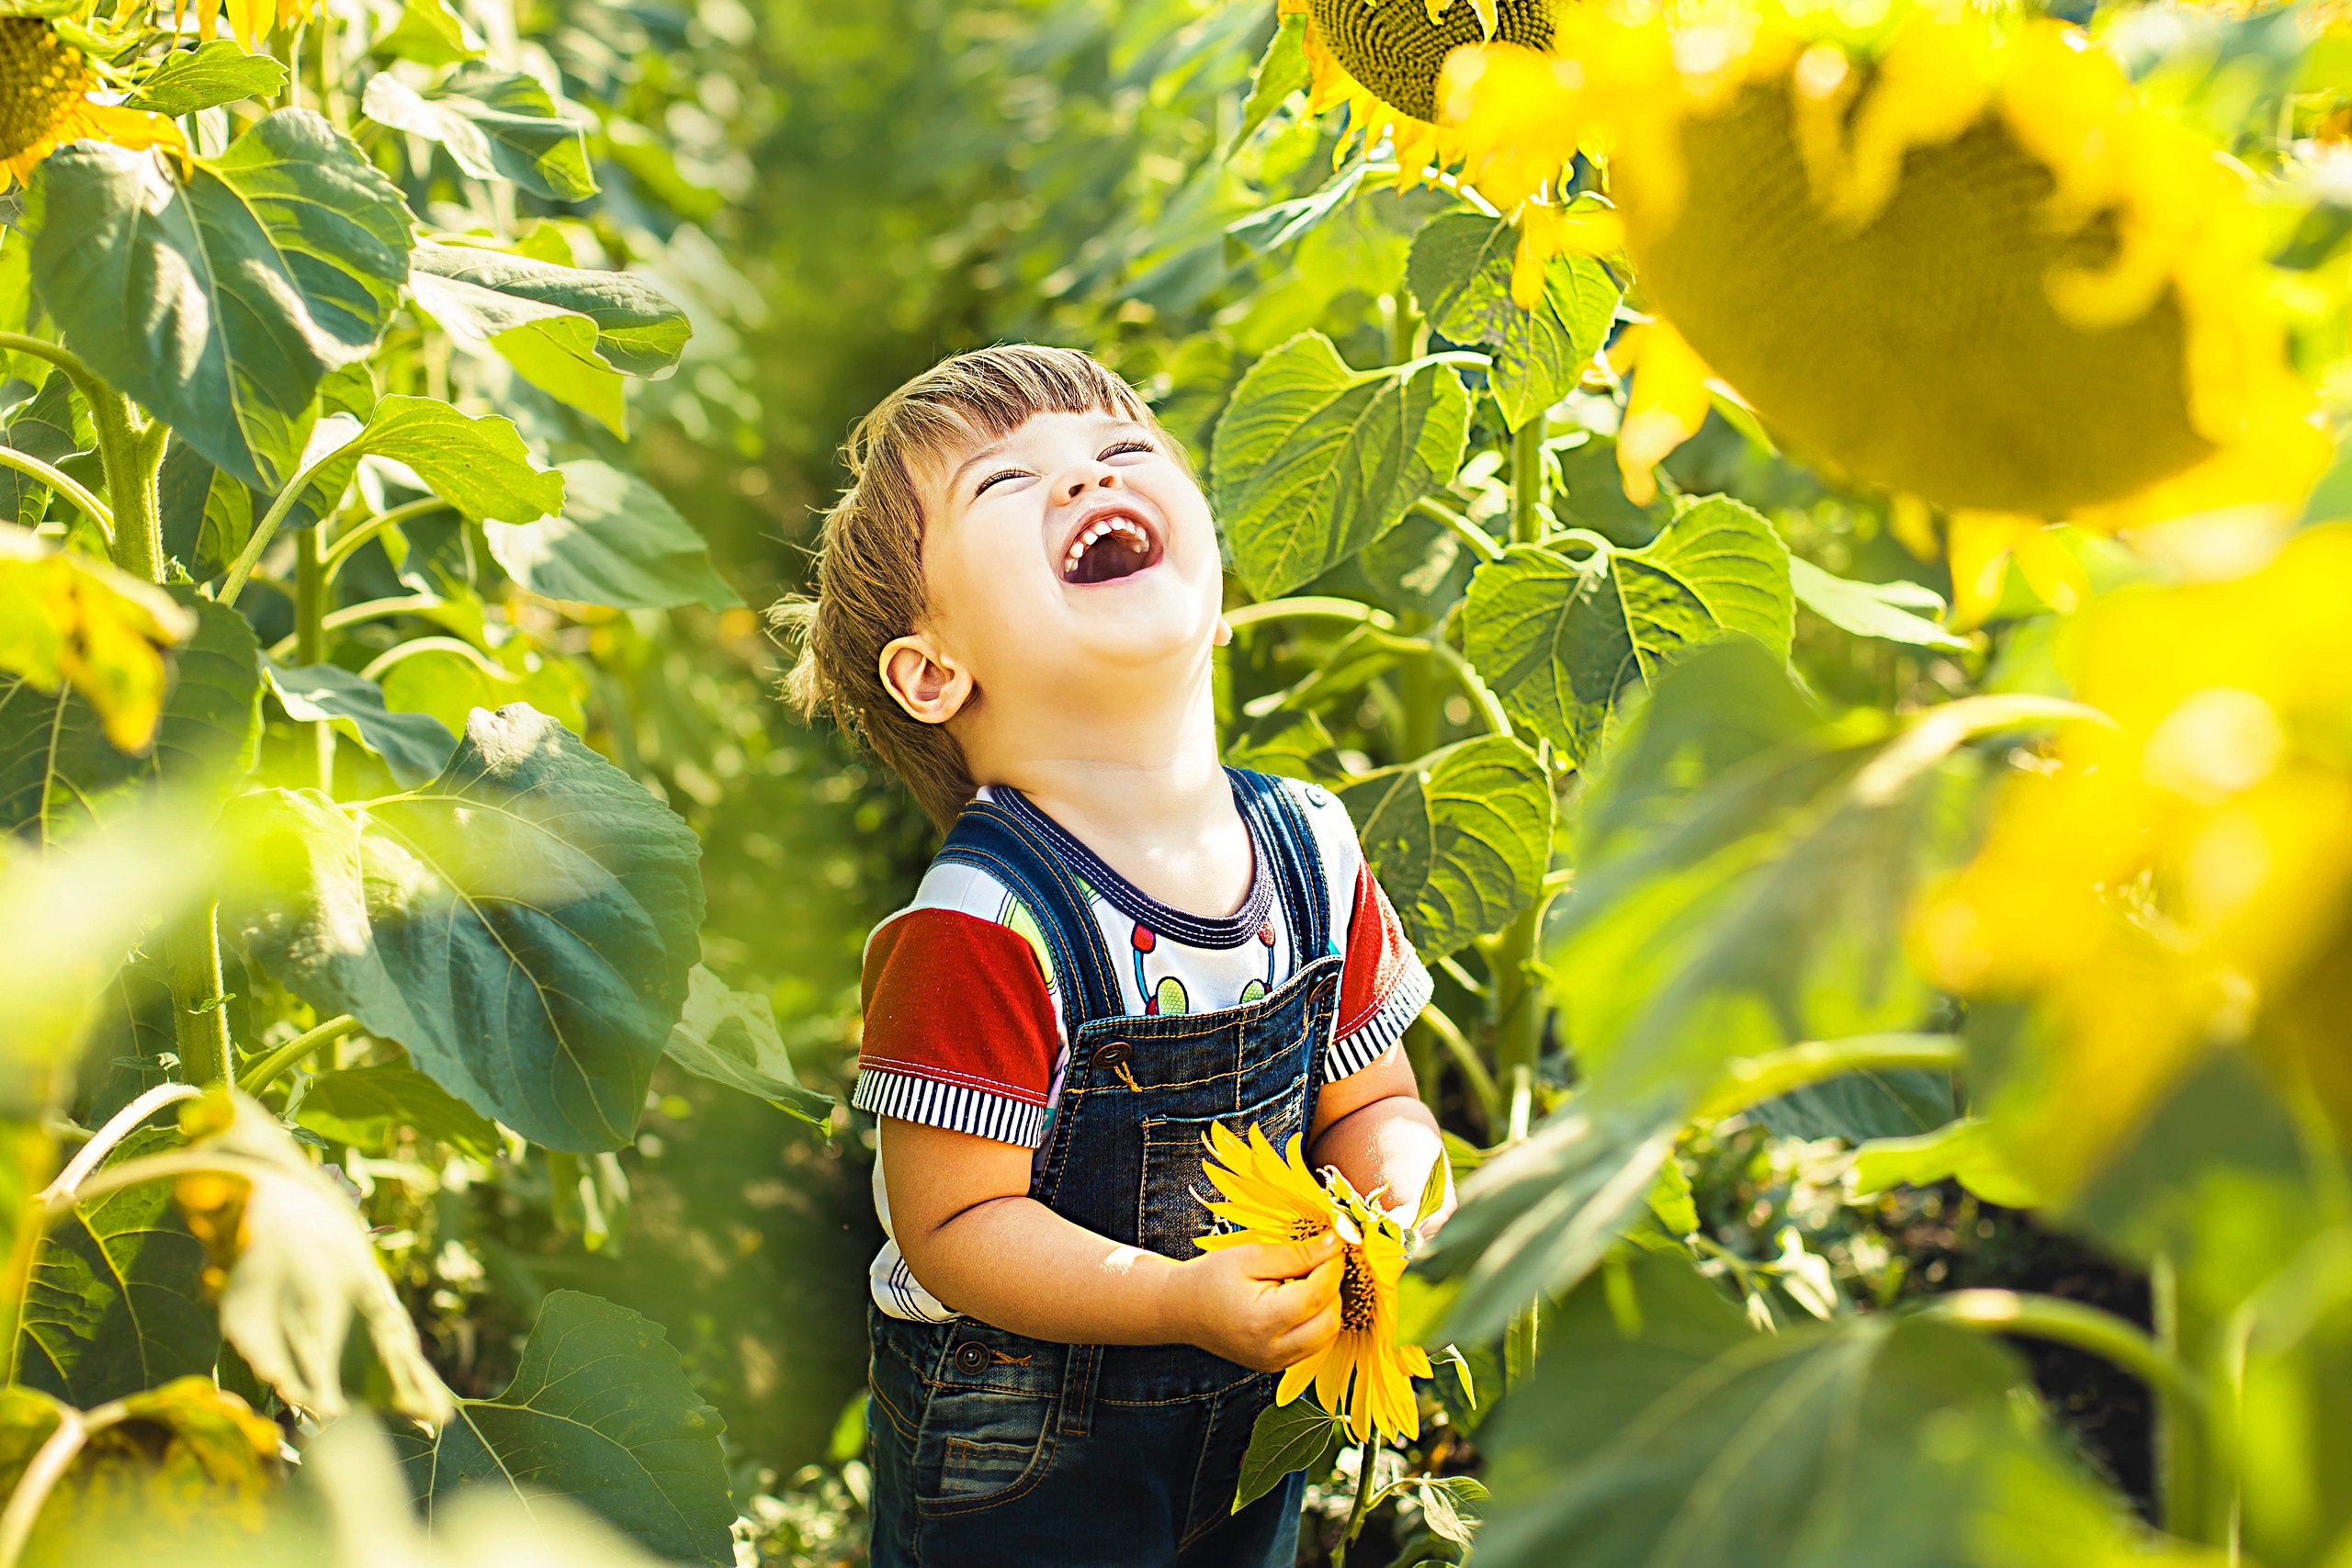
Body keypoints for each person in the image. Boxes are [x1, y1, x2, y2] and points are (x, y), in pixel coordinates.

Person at [778, 344, 1453, 1568]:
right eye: (1007, 484)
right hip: (1028, 1456)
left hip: (1254, 1408)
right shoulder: (986, 923)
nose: (1088, 482)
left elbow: (1379, 1100)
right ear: (936, 673)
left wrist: (1392, 1208)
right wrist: (1184, 1301)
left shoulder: (1308, 845)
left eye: (1124, 451)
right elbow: (957, 1228)